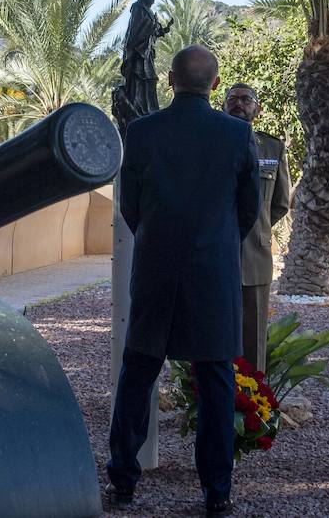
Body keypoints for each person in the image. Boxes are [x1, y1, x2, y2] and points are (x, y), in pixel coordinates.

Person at [107, 46, 260, 515]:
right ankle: (217, 490)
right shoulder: (237, 134)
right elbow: (249, 207)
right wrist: (216, 243)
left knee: (139, 370)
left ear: (170, 80)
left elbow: (129, 203)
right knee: (215, 378)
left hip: (155, 266)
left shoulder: (142, 132)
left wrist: (155, 238)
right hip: (213, 270)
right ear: (216, 85)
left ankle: (123, 479)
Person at [223, 82, 291, 372]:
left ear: (257, 109)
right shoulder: (211, 142)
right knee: (213, 333)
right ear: (223, 106)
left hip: (255, 257)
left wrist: (256, 229)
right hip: (214, 256)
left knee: (254, 339)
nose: (239, 103)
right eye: (232, 99)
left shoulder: (272, 147)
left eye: (246, 99)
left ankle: (253, 405)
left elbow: (280, 203)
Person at [117, 0, 171, 118]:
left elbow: (154, 31)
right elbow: (135, 32)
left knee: (150, 80)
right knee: (138, 81)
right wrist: (151, 26)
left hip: (147, 55)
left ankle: (150, 110)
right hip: (138, 55)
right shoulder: (138, 9)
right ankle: (138, 110)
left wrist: (163, 29)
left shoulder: (149, 12)